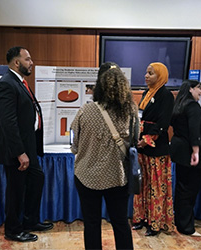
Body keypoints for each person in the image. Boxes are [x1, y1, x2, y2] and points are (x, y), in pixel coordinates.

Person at [70, 62, 136, 250]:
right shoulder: (131, 111)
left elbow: (74, 146)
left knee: (91, 224)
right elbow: (135, 140)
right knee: (121, 222)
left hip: (87, 177)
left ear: (99, 83)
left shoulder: (86, 110)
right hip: (118, 177)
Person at [0, 46, 53, 242]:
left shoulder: (20, 83)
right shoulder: (6, 84)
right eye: (28, 59)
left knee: (36, 180)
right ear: (17, 62)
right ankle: (12, 229)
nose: (32, 63)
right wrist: (20, 152)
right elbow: (7, 123)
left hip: (29, 147)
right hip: (16, 150)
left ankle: (30, 220)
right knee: (16, 190)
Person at [132, 62, 175, 236]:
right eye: (146, 72)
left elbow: (163, 123)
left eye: (150, 73)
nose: (146, 75)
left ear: (161, 76)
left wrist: (147, 139)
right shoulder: (146, 93)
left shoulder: (166, 95)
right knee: (142, 184)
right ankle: (141, 218)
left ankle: (155, 223)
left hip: (156, 147)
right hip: (142, 147)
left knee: (155, 187)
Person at [170, 80, 201, 237]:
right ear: (190, 89)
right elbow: (194, 131)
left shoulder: (178, 105)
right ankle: (187, 227)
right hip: (191, 153)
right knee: (190, 190)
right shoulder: (192, 106)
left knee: (182, 188)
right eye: (198, 88)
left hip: (180, 152)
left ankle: (181, 222)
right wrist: (196, 152)